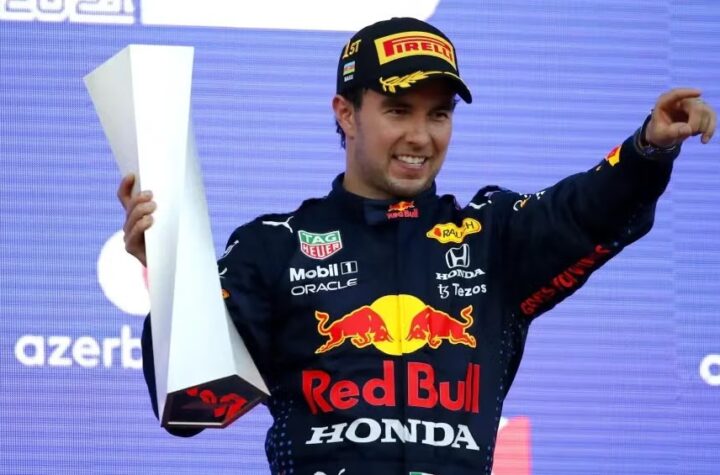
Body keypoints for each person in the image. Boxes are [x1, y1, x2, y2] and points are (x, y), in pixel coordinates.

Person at [117, 17, 716, 475]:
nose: (421, 136)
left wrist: (648, 149)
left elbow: (584, 209)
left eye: (439, 115)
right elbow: (195, 407)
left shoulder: (492, 236)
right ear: (346, 114)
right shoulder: (272, 247)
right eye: (398, 110)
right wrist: (167, 278)